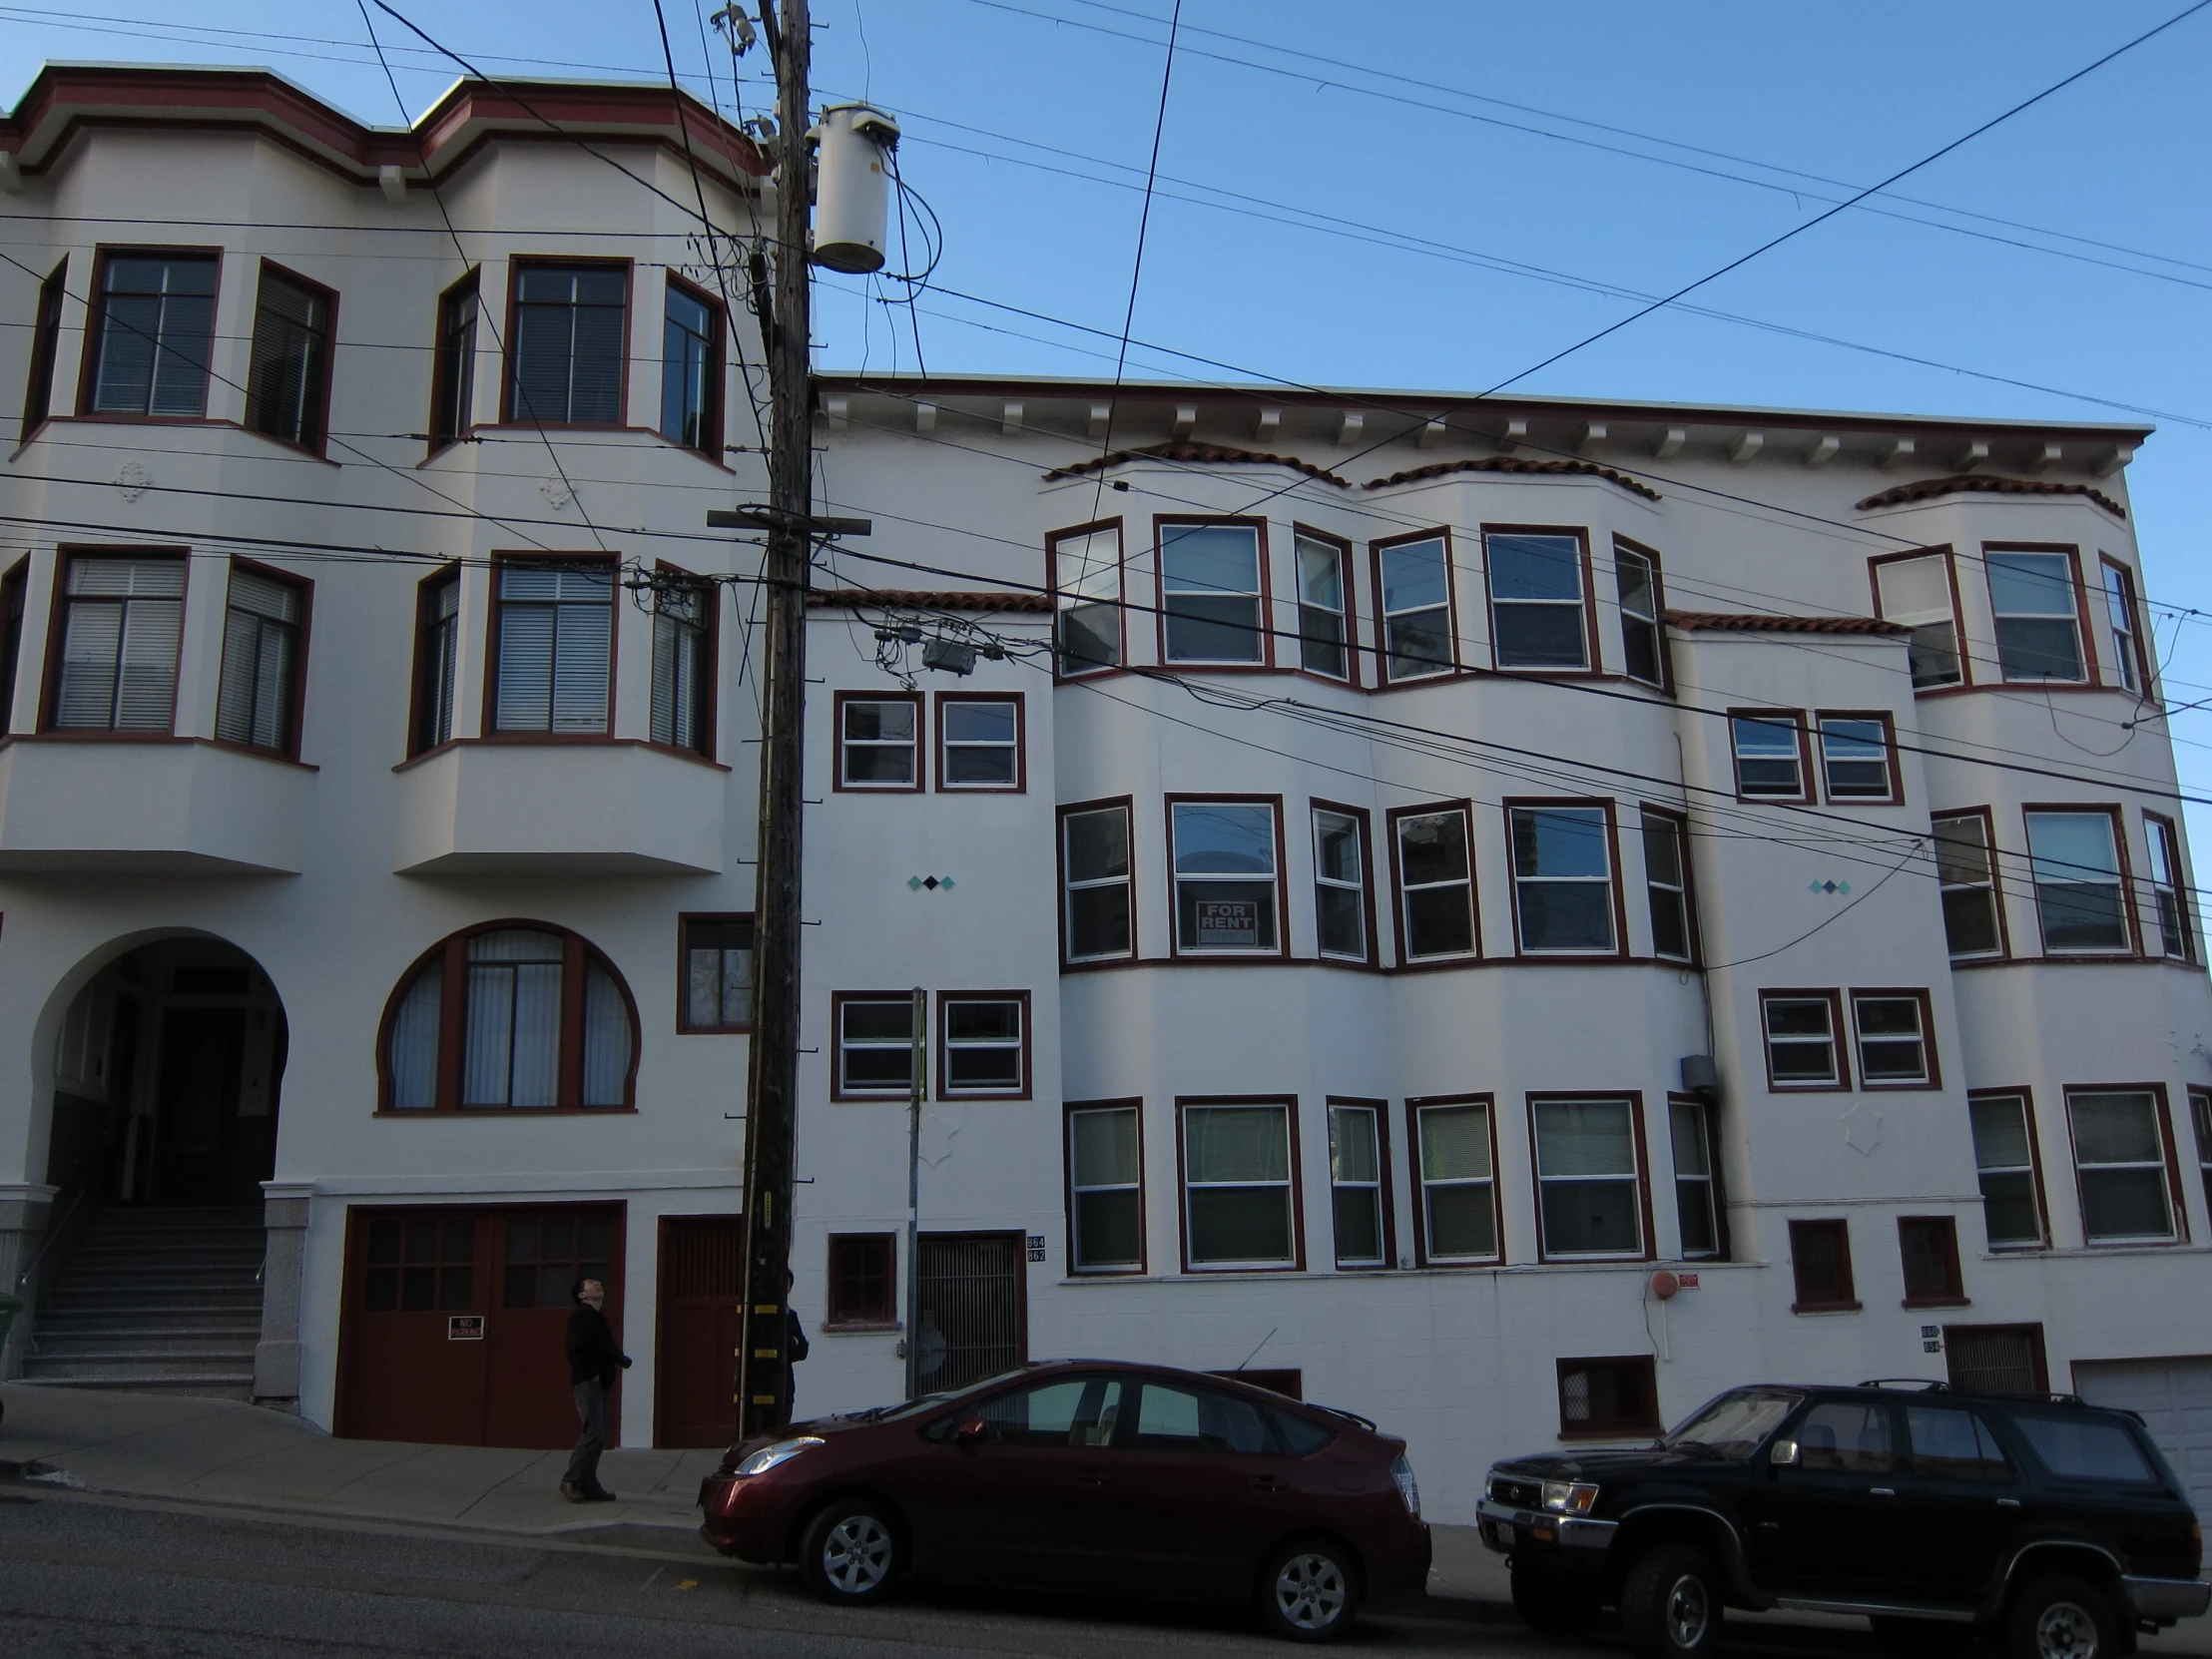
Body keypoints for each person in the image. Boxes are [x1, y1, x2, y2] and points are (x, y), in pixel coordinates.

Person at [561, 1277, 630, 1503]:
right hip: (588, 1381)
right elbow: (577, 1349)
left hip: (597, 1382)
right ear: (582, 1295)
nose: (598, 1284)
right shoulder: (582, 1316)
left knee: (598, 1435)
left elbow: (606, 1347)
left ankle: (589, 1484)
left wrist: (620, 1358)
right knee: (593, 1432)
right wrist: (594, 1373)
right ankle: (570, 1480)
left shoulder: (596, 1318)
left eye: (599, 1282)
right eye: (590, 1284)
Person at [783, 1269, 811, 1422]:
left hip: (786, 1387)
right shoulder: (758, 1316)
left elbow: (802, 1351)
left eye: (787, 1285)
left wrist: (792, 1342)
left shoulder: (791, 1316)